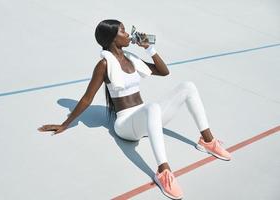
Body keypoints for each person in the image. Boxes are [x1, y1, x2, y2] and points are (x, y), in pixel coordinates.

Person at [38, 19, 231, 200]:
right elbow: (88, 98)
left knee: (187, 86)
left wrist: (150, 48)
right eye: (122, 31)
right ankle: (164, 172)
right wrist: (65, 124)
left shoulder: (132, 58)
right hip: (125, 125)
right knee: (153, 107)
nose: (128, 34)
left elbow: (164, 72)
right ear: (112, 38)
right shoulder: (104, 64)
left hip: (146, 119)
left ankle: (207, 141)